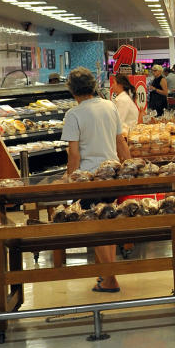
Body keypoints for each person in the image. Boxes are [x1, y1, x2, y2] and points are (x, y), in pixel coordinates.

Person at [61, 67, 131, 293]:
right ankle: (107, 275)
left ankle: (111, 279)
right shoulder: (110, 106)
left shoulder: (74, 114)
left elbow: (74, 155)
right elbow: (121, 143)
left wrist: (69, 178)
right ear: (93, 86)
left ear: (72, 91)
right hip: (110, 174)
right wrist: (129, 169)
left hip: (89, 178)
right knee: (107, 224)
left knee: (95, 227)